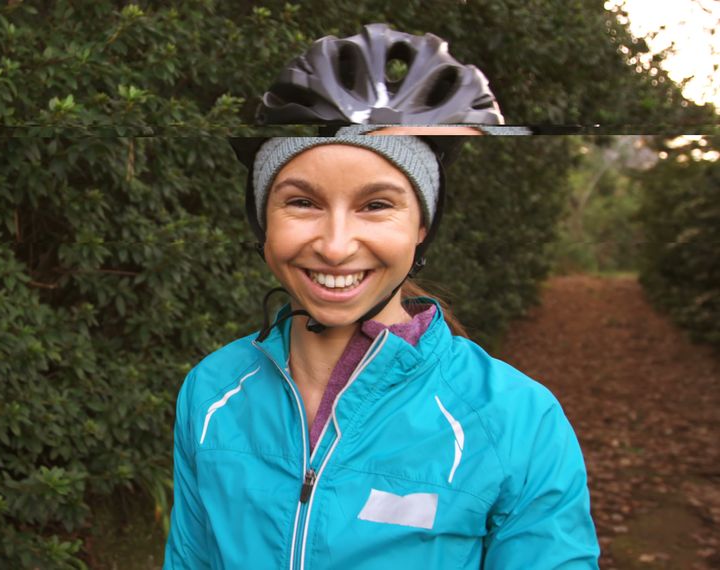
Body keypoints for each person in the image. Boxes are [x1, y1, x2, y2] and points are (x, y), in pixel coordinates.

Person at [163, 25, 599, 569]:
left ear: (422, 227)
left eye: (376, 205)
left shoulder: (515, 417)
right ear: (262, 222)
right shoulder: (212, 390)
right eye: (301, 202)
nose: (336, 245)